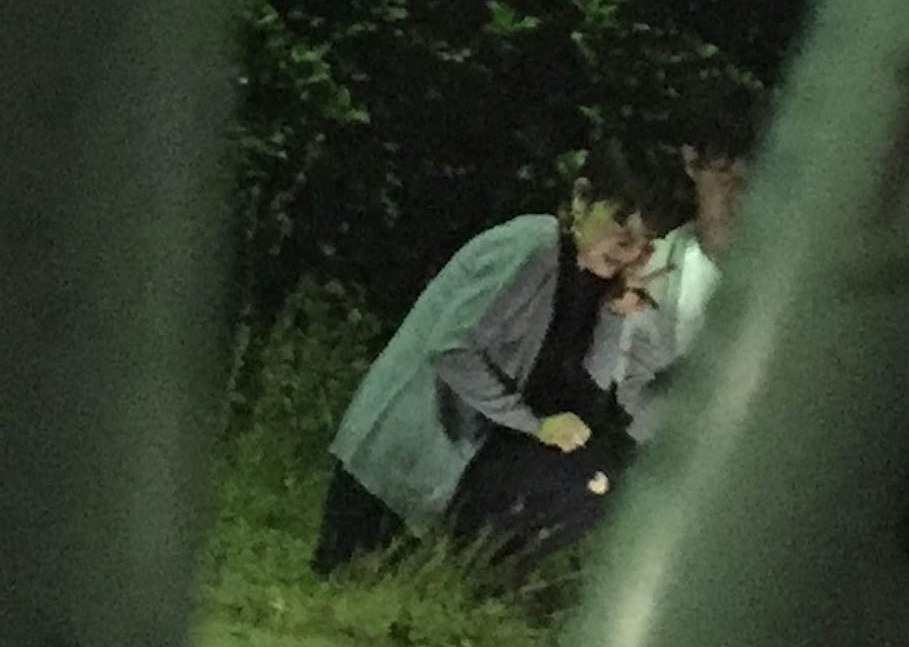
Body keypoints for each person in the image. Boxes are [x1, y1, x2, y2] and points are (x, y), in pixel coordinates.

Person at [314, 149, 682, 581]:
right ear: (581, 198)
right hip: (398, 462)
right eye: (623, 229)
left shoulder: (587, 277)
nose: (630, 252)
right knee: (346, 587)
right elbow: (452, 350)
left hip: (450, 469)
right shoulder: (533, 245)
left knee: (606, 465)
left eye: (646, 245)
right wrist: (533, 423)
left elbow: (588, 397)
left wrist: (614, 316)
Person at [644, 69, 762, 377]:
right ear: (692, 163)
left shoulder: (794, 278)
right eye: (723, 171)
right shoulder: (648, 270)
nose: (736, 190)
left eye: (750, 174)